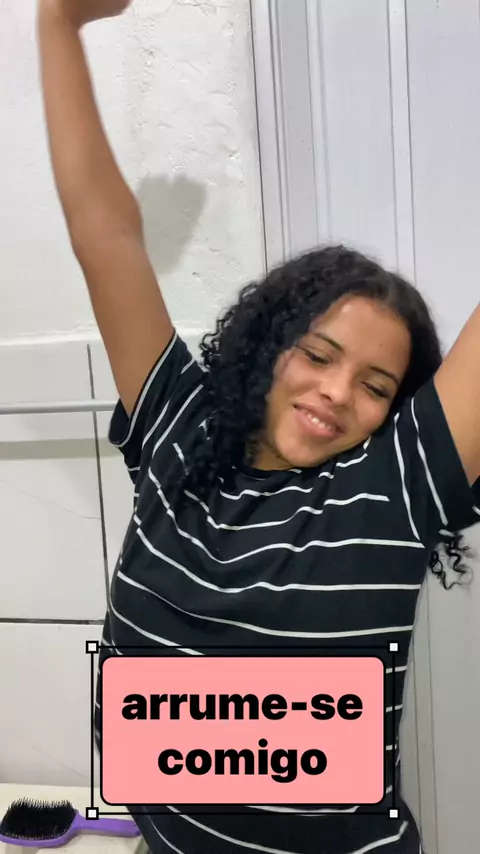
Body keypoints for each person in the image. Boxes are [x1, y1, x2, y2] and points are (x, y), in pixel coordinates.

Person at [37, 0, 480, 851]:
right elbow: (105, 233)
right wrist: (57, 23)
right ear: (269, 343)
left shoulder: (390, 489)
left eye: (376, 385)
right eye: (317, 353)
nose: (336, 392)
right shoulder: (179, 431)